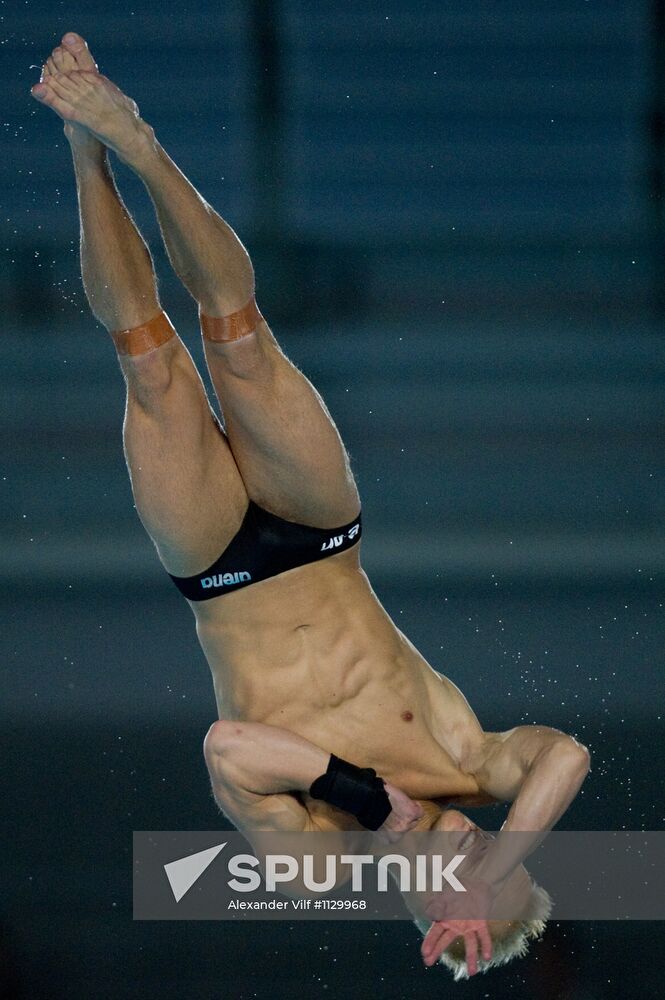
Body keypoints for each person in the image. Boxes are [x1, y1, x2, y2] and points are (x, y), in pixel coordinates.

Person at [32, 33, 590, 979]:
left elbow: (232, 748)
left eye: (466, 883)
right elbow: (567, 761)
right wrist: (504, 858)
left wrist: (369, 802)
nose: (465, 856)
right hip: (322, 535)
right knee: (239, 340)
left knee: (150, 361)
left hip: (219, 571)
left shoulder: (318, 865)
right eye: (486, 859)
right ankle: (139, 144)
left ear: (427, 913)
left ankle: (85, 148)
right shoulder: (472, 763)